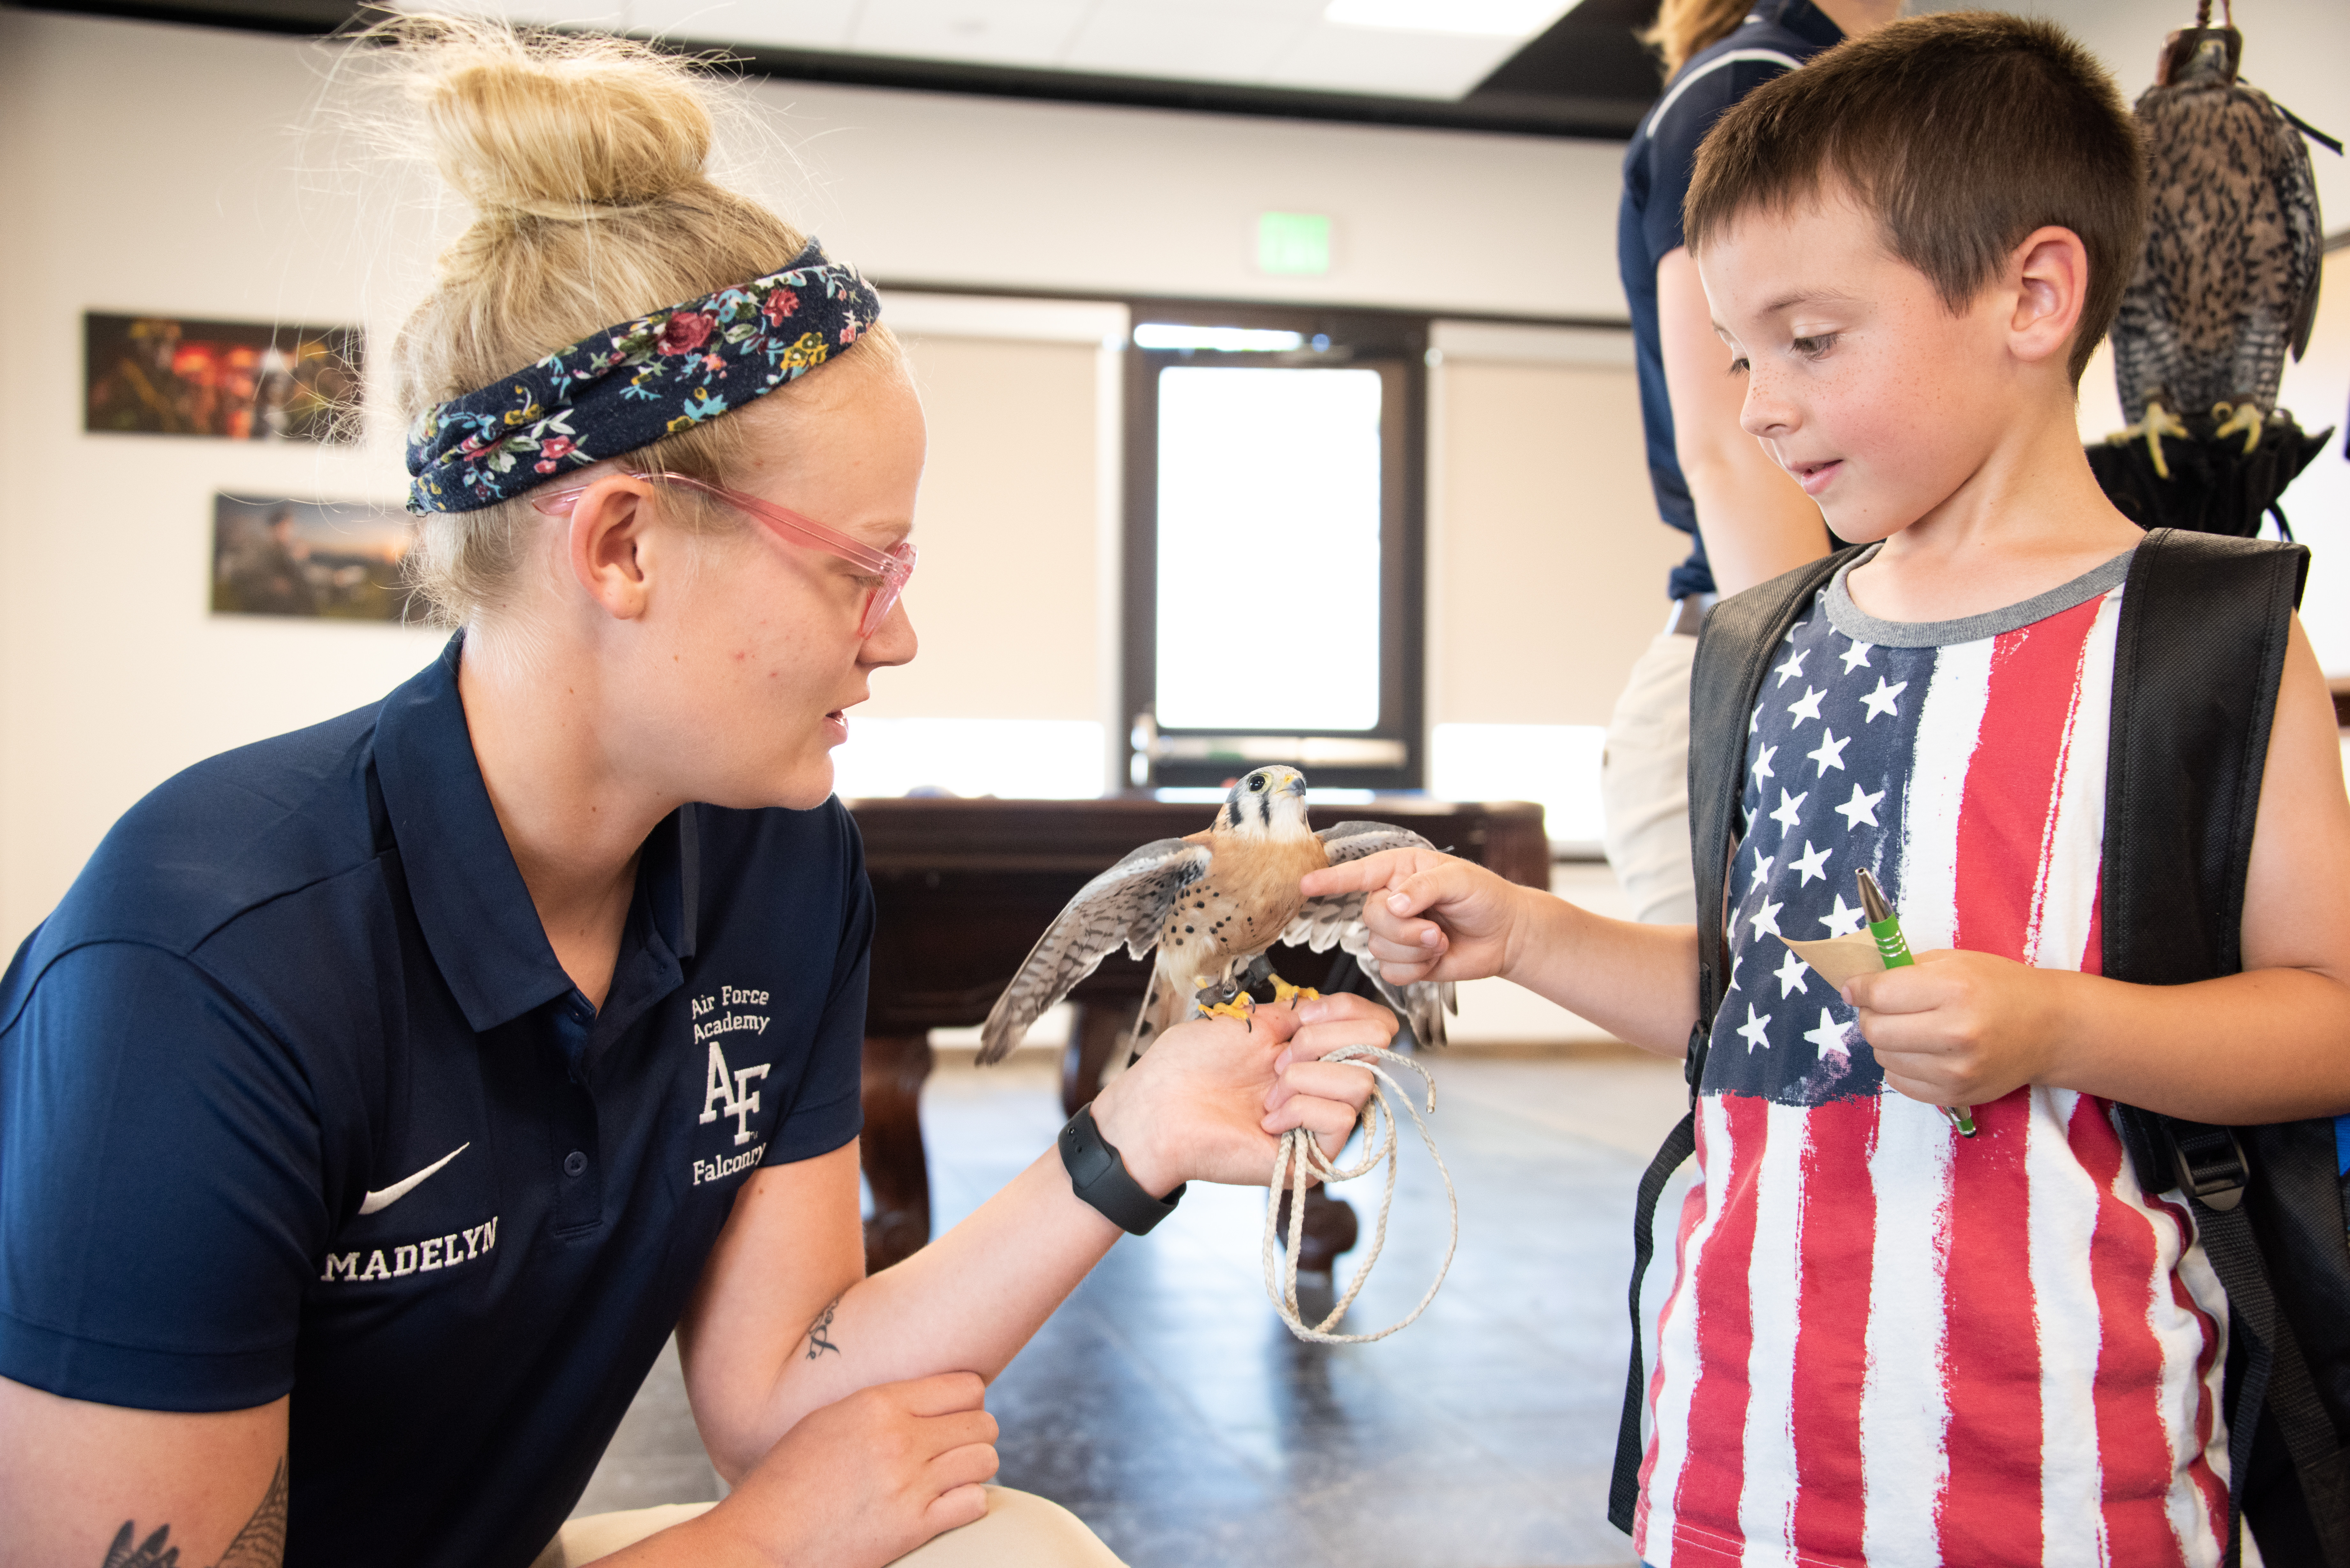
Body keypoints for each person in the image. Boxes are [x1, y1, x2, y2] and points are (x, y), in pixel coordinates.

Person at [0, 24, 1391, 1568]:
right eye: (861, 568)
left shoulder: (778, 867)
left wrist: (1128, 1135)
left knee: (1011, 1547)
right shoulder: (199, 970)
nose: (902, 635)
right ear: (621, 548)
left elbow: (778, 1399)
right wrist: (757, 1548)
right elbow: (783, 1501)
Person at [1310, 14, 2350, 1563]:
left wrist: (2058, 1021)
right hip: (1735, 1463)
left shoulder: (2210, 642)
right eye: (1738, 355)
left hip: (2079, 1473)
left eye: (1809, 342)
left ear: (2033, 294)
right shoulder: (1766, 644)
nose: (1754, 409)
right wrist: (1522, 934)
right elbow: (1758, 1018)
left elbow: (2326, 1017)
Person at [1603, 0, 1896, 925]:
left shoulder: (1879, 88)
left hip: (1824, 649)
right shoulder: (1748, 86)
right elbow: (1732, 441)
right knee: (1766, 1055)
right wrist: (1828, 710)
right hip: (1762, 670)